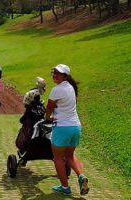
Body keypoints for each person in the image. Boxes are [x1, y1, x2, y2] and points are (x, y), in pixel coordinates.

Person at [45, 64, 89, 196]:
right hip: (75, 127)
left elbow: (49, 107)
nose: (55, 75)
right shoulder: (71, 88)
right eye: (54, 72)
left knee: (58, 158)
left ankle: (65, 187)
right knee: (69, 155)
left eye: (58, 73)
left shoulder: (56, 90)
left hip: (62, 127)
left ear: (65, 76)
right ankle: (81, 176)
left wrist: (48, 118)